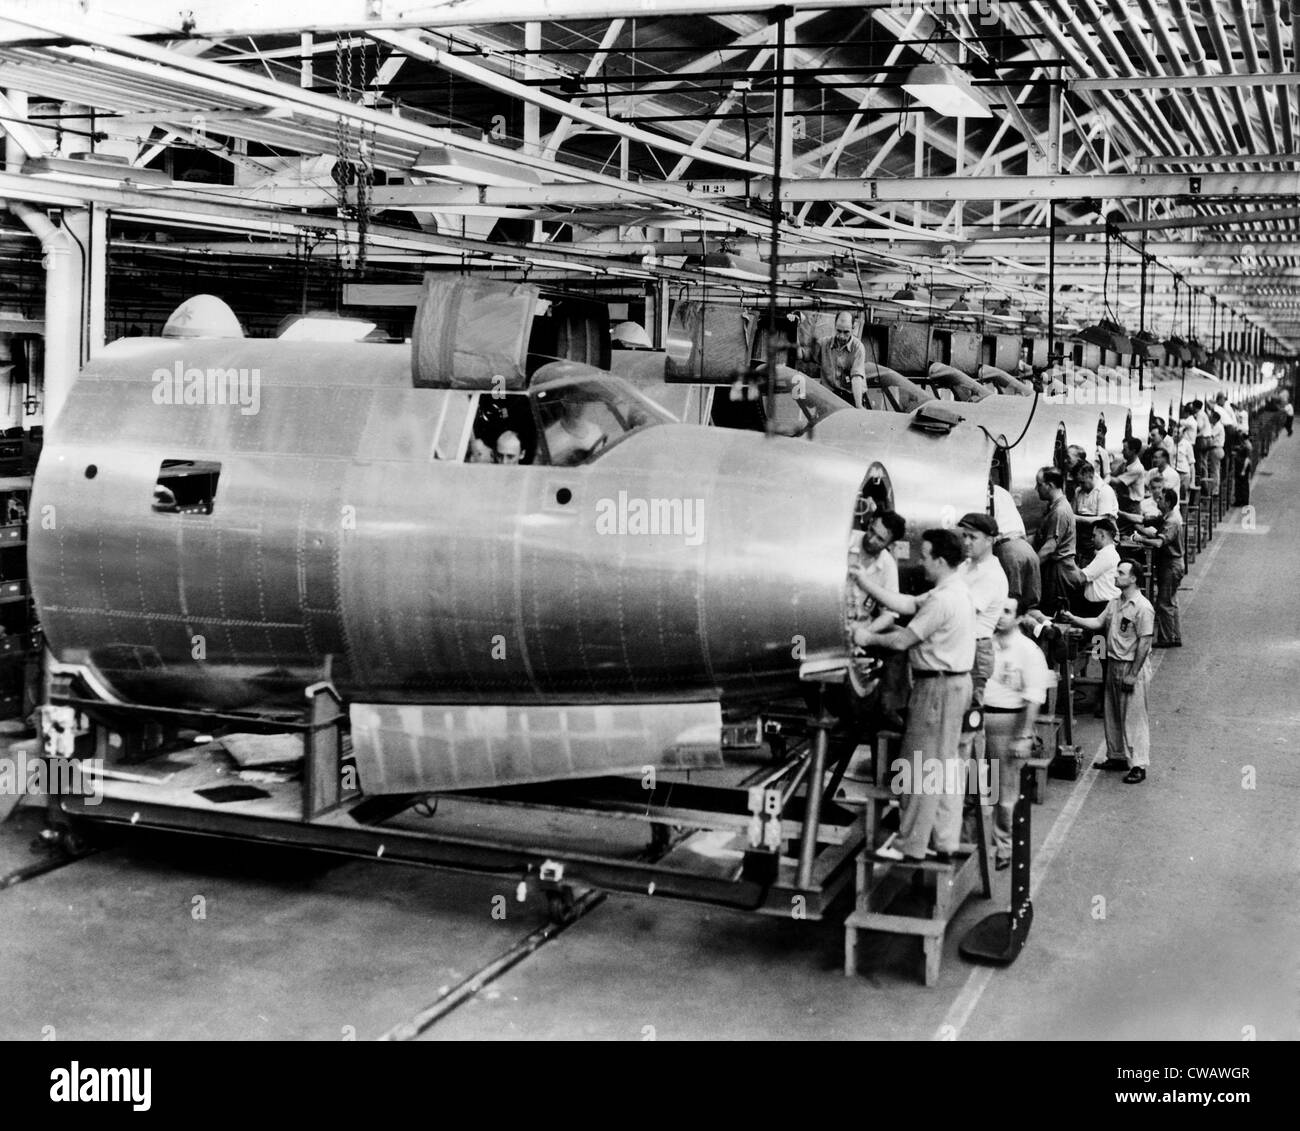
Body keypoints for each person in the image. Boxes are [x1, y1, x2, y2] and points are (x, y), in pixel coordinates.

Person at [853, 529, 976, 862]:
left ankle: (909, 846)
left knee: (919, 767)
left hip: (935, 688)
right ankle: (945, 842)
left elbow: (901, 641)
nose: (920, 561)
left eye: (924, 556)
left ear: (939, 560)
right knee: (947, 766)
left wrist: (865, 636)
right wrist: (865, 582)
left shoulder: (942, 600)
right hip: (956, 685)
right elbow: (906, 603)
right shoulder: (954, 590)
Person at [1061, 560, 1155, 784]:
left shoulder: (1142, 607)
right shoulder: (1114, 602)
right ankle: (1116, 756)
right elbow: (1097, 623)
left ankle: (1139, 764)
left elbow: (1144, 643)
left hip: (1131, 666)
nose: (1115, 575)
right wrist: (1073, 618)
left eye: (1121, 573)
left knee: (1133, 717)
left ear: (1133, 579)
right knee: (1112, 712)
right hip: (1113, 663)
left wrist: (1133, 674)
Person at [981, 596, 1050, 870]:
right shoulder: (987, 643)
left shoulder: (1029, 652)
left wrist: (1023, 736)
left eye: (1007, 612)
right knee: (977, 785)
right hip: (980, 719)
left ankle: (1003, 848)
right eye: (998, 610)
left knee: (1003, 792)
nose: (1001, 616)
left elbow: (1034, 697)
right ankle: (980, 843)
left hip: (1008, 724)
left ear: (1020, 617)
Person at [847, 509, 909, 728]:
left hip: (862, 627)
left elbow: (890, 613)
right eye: (871, 531)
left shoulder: (887, 565)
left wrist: (867, 634)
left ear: (889, 544)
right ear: (870, 522)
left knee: (901, 638)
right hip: (829, 621)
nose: (871, 539)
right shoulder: (846, 541)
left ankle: (889, 707)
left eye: (880, 538)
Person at [1134, 487, 1185, 648]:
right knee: (1171, 601)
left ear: (1168, 502)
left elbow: (1159, 542)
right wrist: (1122, 515)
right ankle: (1175, 635)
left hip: (1171, 564)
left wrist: (1140, 539)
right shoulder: (1165, 517)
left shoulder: (1172, 521)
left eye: (1161, 499)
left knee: (1164, 603)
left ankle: (1166, 638)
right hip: (1169, 564)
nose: (1158, 500)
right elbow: (1144, 522)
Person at [1031, 466, 1080, 614]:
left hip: (1059, 573)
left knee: (1054, 614)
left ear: (1050, 486)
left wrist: (1030, 569)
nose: (1035, 488)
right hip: (1054, 570)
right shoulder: (1053, 507)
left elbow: (1049, 548)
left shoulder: (1060, 511)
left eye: (1039, 485)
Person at [992, 485, 1040, 615]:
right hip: (1027, 549)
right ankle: (1045, 627)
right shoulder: (1003, 492)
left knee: (1012, 606)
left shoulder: (987, 495)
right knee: (1031, 607)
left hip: (1009, 551)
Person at [816, 312, 869, 409]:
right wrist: (796, 327)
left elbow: (856, 377)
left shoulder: (858, 347)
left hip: (852, 397)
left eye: (846, 332)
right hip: (830, 397)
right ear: (834, 326)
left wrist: (858, 406)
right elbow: (801, 355)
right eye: (838, 331)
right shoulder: (823, 343)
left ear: (853, 327)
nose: (841, 336)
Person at [1076, 516, 1120, 617]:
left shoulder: (1106, 554)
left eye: (1094, 536)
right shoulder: (1105, 553)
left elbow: (1082, 577)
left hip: (1102, 606)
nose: (1092, 539)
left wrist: (1068, 563)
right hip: (1099, 605)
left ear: (1102, 535)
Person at [1072, 459, 1119, 544]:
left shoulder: (1104, 491)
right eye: (1078, 483)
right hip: (1084, 536)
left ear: (1091, 476)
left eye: (1082, 482)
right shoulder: (1079, 491)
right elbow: (1072, 514)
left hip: (1103, 536)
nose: (1080, 486)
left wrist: (1077, 518)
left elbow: (1103, 521)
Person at [544, 400, 605, 465]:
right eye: (576, 401)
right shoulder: (548, 437)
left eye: (583, 401)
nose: (581, 407)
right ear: (564, 402)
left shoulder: (595, 429)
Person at [1174, 419, 1196, 494]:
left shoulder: (1187, 445)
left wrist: (1192, 481)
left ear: (1183, 434)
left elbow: (1192, 464)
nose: (1175, 434)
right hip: (1173, 473)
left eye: (1178, 433)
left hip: (1184, 474)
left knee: (1183, 495)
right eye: (1174, 432)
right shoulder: (1169, 443)